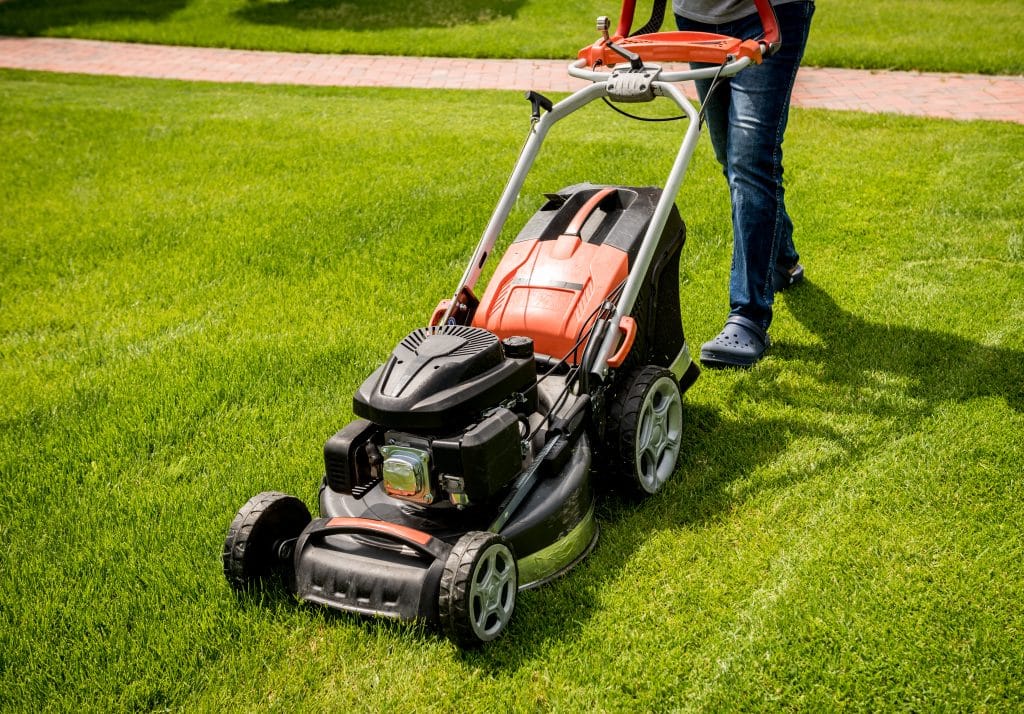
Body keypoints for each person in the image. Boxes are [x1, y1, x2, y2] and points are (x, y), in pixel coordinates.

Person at [673, 0, 815, 368]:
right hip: (698, 17)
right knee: (732, 156)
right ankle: (781, 261)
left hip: (769, 14)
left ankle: (748, 316)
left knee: (750, 159)